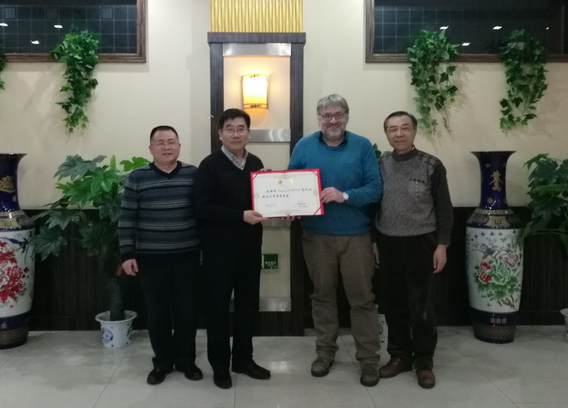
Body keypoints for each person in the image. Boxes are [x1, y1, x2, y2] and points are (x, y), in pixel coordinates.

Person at [288, 93, 382, 387]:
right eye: (326, 115)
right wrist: (290, 206)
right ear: (318, 118)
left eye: (338, 114)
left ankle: (369, 360)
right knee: (322, 297)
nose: (332, 120)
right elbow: (291, 185)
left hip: (356, 237)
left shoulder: (362, 146)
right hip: (316, 236)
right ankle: (325, 353)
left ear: (346, 116)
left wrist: (346, 195)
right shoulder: (303, 146)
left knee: (362, 299)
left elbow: (375, 188)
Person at [118, 125, 202, 385]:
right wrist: (127, 254)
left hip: (188, 257)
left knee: (187, 313)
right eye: (160, 142)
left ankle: (186, 361)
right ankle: (163, 363)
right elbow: (127, 218)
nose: (166, 147)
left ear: (179, 146)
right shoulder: (137, 178)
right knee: (157, 315)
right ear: (151, 148)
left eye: (171, 142)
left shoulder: (193, 175)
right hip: (151, 259)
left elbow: (205, 212)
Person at [375, 111, 453, 389]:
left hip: (422, 242)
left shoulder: (431, 165)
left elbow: (444, 208)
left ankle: (423, 362)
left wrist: (442, 245)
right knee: (393, 303)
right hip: (387, 242)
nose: (399, 133)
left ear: (414, 131)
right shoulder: (381, 164)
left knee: (422, 306)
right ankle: (399, 356)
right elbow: (373, 205)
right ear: (386, 134)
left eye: (404, 128)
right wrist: (374, 241)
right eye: (392, 129)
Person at [194, 108, 270, 389]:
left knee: (248, 306)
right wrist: (240, 216)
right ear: (220, 134)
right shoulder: (209, 165)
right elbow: (203, 208)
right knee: (217, 308)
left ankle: (243, 360)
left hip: (250, 248)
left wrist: (279, 206)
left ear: (249, 133)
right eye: (230, 129)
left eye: (241, 128)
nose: (236, 134)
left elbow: (263, 201)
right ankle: (220, 366)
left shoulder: (256, 163)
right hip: (219, 252)